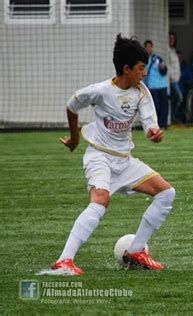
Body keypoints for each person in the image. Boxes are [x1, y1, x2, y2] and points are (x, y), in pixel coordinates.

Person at [51, 34, 176, 276]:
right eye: (141, 68)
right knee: (100, 200)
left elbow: (151, 122)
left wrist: (153, 132)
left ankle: (137, 251)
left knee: (166, 193)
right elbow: (72, 104)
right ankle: (64, 260)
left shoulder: (141, 93)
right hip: (99, 156)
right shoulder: (100, 91)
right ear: (126, 69)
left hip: (124, 161)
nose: (144, 73)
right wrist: (75, 138)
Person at [144, 39, 169, 129]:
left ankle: (163, 125)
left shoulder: (158, 58)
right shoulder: (143, 60)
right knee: (155, 107)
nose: (148, 49)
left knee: (164, 106)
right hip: (152, 86)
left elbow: (164, 72)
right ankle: (155, 125)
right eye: (146, 47)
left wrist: (163, 68)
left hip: (162, 85)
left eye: (150, 47)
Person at [168, 31, 183, 124]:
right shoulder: (167, 51)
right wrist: (171, 77)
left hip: (176, 79)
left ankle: (172, 117)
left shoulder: (173, 50)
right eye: (169, 38)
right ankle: (172, 117)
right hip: (171, 80)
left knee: (174, 98)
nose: (171, 40)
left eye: (173, 38)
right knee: (179, 97)